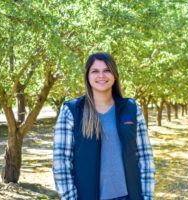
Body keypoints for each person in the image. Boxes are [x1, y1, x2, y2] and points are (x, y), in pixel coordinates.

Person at [53, 52, 155, 200]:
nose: (101, 75)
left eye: (107, 70)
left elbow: (145, 157)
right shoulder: (72, 111)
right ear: (87, 76)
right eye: (95, 71)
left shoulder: (131, 109)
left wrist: (146, 196)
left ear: (115, 75)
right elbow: (61, 162)